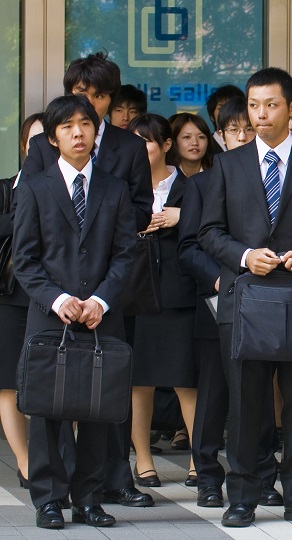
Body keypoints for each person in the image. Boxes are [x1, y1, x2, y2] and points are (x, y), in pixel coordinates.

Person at [199, 67, 292, 527]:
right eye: (253, 105)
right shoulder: (227, 164)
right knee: (246, 402)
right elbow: (208, 233)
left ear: (290, 109)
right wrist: (245, 256)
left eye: (269, 105)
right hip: (246, 301)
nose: (259, 115)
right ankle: (243, 495)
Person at [21, 51, 154, 510]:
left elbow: (127, 247)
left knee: (100, 406)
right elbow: (27, 253)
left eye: (89, 117)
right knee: (47, 410)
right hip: (49, 309)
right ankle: (49, 500)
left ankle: (92, 497)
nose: (80, 129)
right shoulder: (38, 173)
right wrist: (57, 298)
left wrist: (101, 298)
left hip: (103, 307)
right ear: (54, 135)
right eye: (69, 123)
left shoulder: (115, 181)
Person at [179, 97, 282, 509]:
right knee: (214, 393)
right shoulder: (203, 182)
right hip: (217, 302)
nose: (242, 135)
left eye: (247, 128)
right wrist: (220, 278)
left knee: (256, 393)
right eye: (233, 130)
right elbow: (189, 246)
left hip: (264, 304)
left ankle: (262, 477)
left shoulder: (271, 176)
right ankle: (206, 475)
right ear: (218, 136)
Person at [126, 113, 199, 489]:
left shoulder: (193, 186)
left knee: (187, 380)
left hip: (178, 293)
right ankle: (143, 459)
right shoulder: (124, 186)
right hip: (136, 294)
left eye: (148, 142)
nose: (141, 149)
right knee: (140, 382)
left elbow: (216, 225)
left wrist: (181, 217)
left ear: (166, 145)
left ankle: (197, 460)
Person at [0, 113, 44, 491]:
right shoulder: (4, 189)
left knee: (60, 378)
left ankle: (59, 457)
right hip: (9, 297)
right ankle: (26, 461)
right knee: (8, 385)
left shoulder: (71, 189)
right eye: (34, 141)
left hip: (54, 298)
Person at [169, 113, 213, 177]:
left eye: (201, 137)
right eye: (187, 137)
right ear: (174, 141)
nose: (195, 143)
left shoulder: (217, 174)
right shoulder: (167, 177)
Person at [206, 84, 246, 153]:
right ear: (211, 116)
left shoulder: (255, 143)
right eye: (221, 108)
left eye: (233, 107)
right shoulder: (205, 146)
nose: (227, 112)